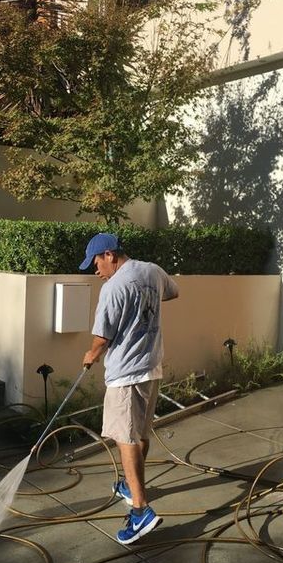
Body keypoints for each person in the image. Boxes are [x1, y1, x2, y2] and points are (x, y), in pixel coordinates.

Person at [80, 232, 179, 544]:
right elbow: (172, 293)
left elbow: (102, 338)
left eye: (96, 262)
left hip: (125, 376)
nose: (96, 270)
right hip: (152, 369)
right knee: (139, 435)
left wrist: (91, 355)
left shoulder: (113, 288)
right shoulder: (152, 271)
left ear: (109, 255)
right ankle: (128, 486)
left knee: (126, 440)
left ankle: (140, 511)